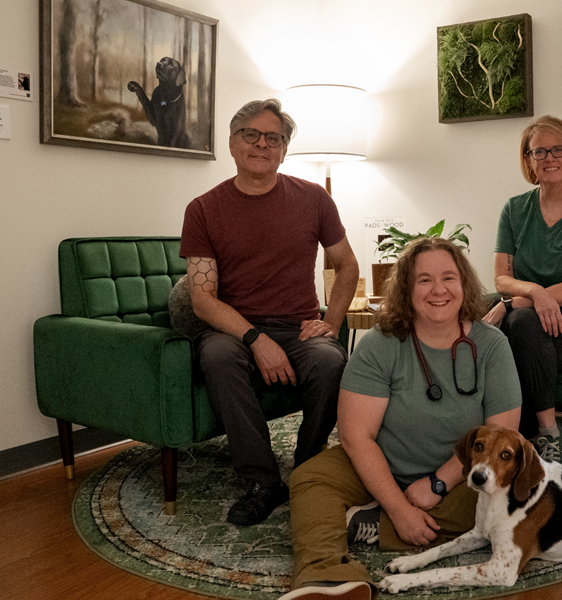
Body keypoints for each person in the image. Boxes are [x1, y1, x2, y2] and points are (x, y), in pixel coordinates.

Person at [280, 237, 522, 600]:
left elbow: (502, 436)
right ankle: (326, 578)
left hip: (460, 478)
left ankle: (370, 525)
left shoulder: (492, 346)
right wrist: (398, 506)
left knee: (513, 501)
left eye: (448, 278)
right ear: (406, 289)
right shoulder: (380, 343)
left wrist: (437, 484)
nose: (437, 289)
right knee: (309, 480)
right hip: (382, 464)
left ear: (464, 284)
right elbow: (357, 436)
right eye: (423, 280)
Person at [180, 99, 359, 526]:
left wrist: (330, 322)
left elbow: (347, 264)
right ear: (232, 143)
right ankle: (262, 481)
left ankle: (307, 467)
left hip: (299, 327)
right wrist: (255, 340)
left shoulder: (314, 199)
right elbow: (203, 299)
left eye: (273, 138)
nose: (262, 144)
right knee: (217, 358)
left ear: (283, 150)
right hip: (233, 330)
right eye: (251, 135)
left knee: (331, 361)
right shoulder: (203, 209)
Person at [483, 115, 562, 462]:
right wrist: (534, 295)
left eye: (558, 149)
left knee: (518, 327)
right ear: (528, 160)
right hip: (527, 313)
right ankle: (515, 436)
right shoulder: (514, 209)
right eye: (539, 152)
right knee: (516, 329)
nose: (549, 158)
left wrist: (513, 304)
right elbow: (501, 278)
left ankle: (548, 434)